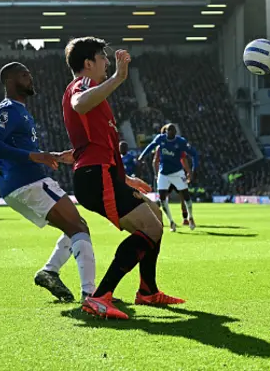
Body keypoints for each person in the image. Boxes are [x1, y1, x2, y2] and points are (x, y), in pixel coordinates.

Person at [62, 37, 184, 320]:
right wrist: (118, 76)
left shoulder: (96, 94)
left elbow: (99, 145)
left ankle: (148, 291)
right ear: (88, 63)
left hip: (103, 175)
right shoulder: (82, 86)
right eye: (102, 58)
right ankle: (100, 296)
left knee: (155, 216)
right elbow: (79, 104)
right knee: (150, 228)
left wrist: (125, 178)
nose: (107, 62)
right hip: (95, 177)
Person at [0, 62, 96, 302]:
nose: (30, 79)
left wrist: (51, 155)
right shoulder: (9, 109)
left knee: (76, 226)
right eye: (25, 75)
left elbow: (21, 148)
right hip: (28, 182)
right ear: (11, 81)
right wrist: (35, 156)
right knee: (79, 228)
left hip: (20, 184)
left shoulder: (21, 111)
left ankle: (49, 272)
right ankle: (91, 296)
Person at [139, 123, 198, 231]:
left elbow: (194, 154)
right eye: (168, 132)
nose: (170, 133)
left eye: (173, 132)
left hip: (177, 173)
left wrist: (193, 169)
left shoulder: (181, 142)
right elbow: (151, 145)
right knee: (162, 199)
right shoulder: (160, 139)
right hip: (163, 174)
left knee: (186, 196)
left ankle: (190, 217)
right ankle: (171, 222)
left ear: (175, 133)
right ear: (166, 132)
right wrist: (142, 155)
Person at [152, 124, 194, 227]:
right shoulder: (160, 147)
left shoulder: (177, 145)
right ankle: (174, 220)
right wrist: (157, 174)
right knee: (165, 198)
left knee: (182, 196)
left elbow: (182, 158)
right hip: (165, 175)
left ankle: (187, 218)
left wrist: (188, 171)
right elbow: (156, 161)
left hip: (176, 174)